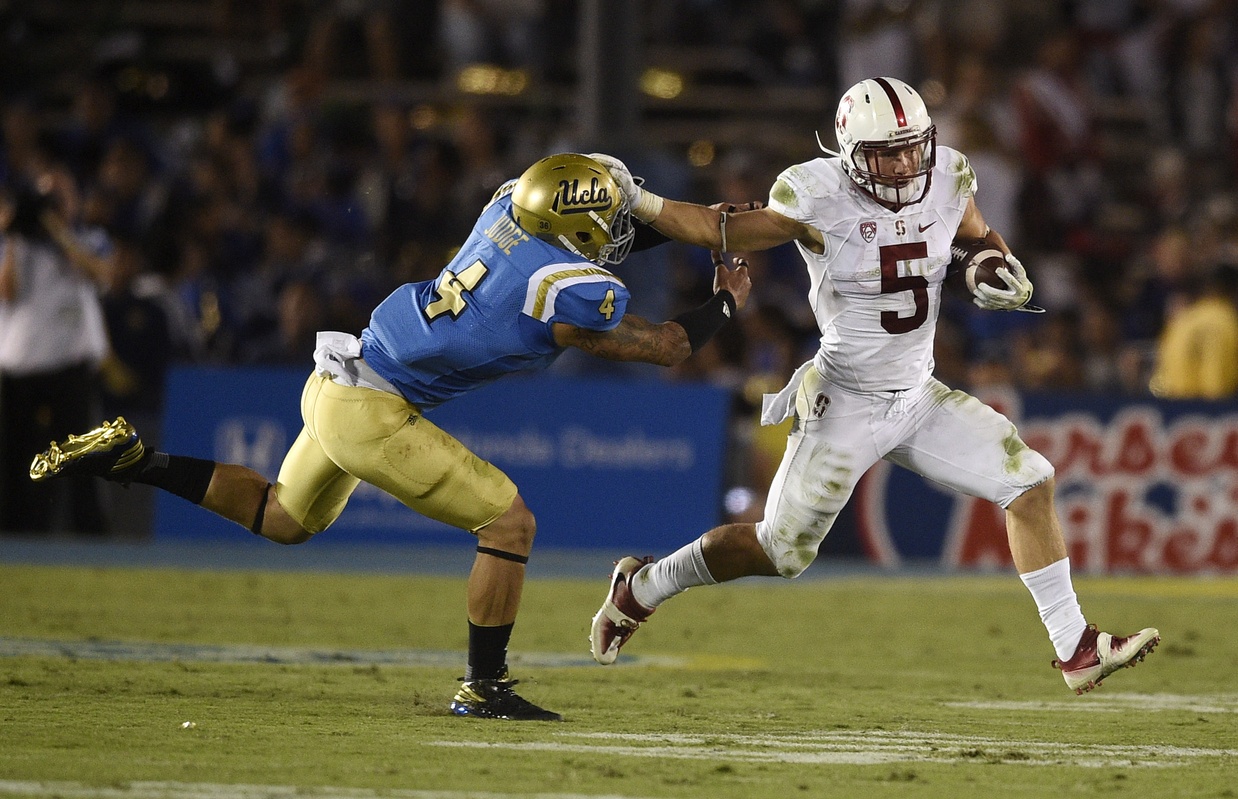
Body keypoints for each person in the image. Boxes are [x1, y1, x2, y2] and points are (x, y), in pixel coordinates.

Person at [29, 153, 751, 720]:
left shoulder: (505, 208)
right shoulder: (564, 294)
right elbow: (665, 344)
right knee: (510, 519)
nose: (618, 237)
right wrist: (725, 301)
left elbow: (598, 242)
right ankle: (483, 684)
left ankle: (137, 460)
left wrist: (666, 223)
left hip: (337, 378)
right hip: (372, 407)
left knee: (283, 515)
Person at [586, 77, 1160, 695]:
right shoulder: (816, 194)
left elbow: (975, 235)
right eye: (888, 153)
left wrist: (993, 265)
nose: (906, 164)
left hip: (918, 396)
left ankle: (1075, 647)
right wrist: (640, 204)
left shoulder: (947, 177)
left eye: (914, 147)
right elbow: (717, 229)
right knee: (781, 552)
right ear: (849, 151)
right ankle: (642, 587)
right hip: (845, 401)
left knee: (1030, 481)